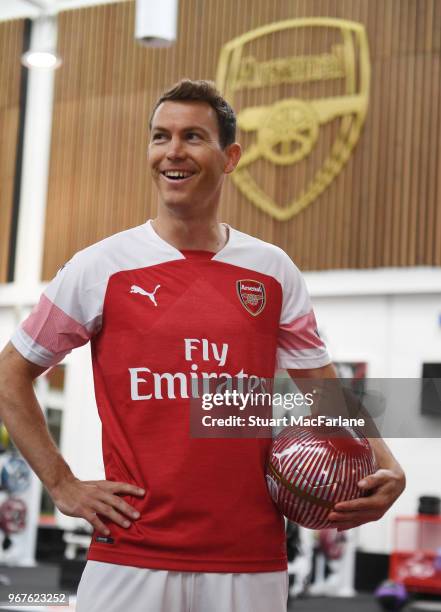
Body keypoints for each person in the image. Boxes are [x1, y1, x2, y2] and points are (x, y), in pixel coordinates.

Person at [0, 79, 405, 612]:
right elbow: (11, 375)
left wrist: (386, 462)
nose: (172, 151)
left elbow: (321, 390)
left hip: (249, 559)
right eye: (160, 136)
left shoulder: (272, 269)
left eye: (192, 136)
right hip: (131, 554)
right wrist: (63, 484)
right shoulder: (100, 267)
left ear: (230, 156)